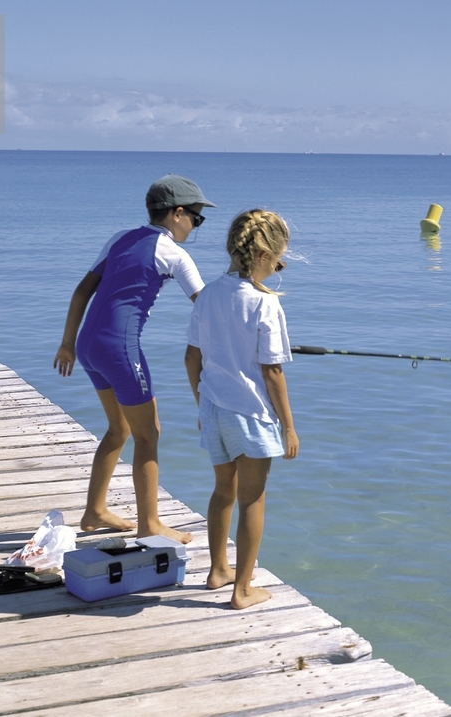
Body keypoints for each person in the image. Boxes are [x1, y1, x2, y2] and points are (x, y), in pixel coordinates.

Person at [53, 174, 215, 545]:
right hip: (119, 348)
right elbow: (208, 307)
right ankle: (150, 524)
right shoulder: (173, 253)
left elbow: (82, 291)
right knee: (148, 434)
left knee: (119, 428)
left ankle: (95, 511)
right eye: (197, 217)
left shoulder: (120, 238)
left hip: (89, 344)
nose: (196, 225)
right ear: (177, 213)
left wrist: (67, 344)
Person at [185, 209, 299, 609]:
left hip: (214, 408)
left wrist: (203, 404)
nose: (279, 267)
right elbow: (272, 372)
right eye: (278, 259)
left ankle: (218, 570)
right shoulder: (265, 304)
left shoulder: (208, 294)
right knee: (253, 499)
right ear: (265, 255)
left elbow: (192, 358)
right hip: (251, 414)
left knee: (223, 491)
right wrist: (288, 427)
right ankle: (243, 590)